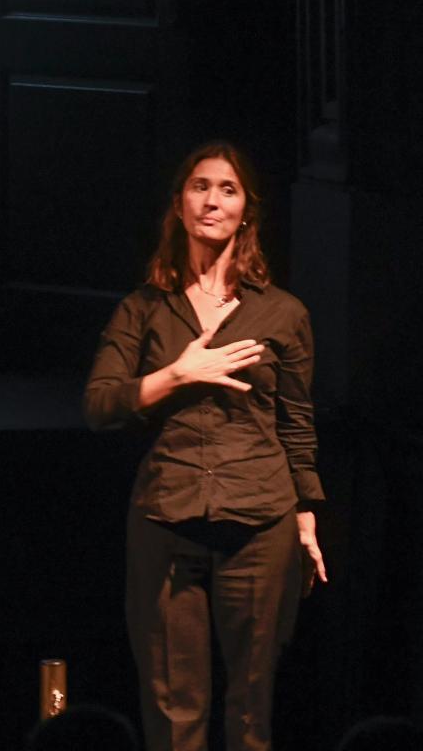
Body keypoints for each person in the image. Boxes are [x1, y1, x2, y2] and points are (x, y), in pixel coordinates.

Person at [83, 142, 327, 751]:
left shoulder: (283, 314)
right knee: (173, 710)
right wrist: (177, 373)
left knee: (250, 709)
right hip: (168, 518)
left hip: (260, 518)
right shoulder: (144, 309)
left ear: (246, 212)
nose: (212, 200)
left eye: (227, 189)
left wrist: (305, 516)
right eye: (199, 186)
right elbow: (100, 405)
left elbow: (296, 420)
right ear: (179, 205)